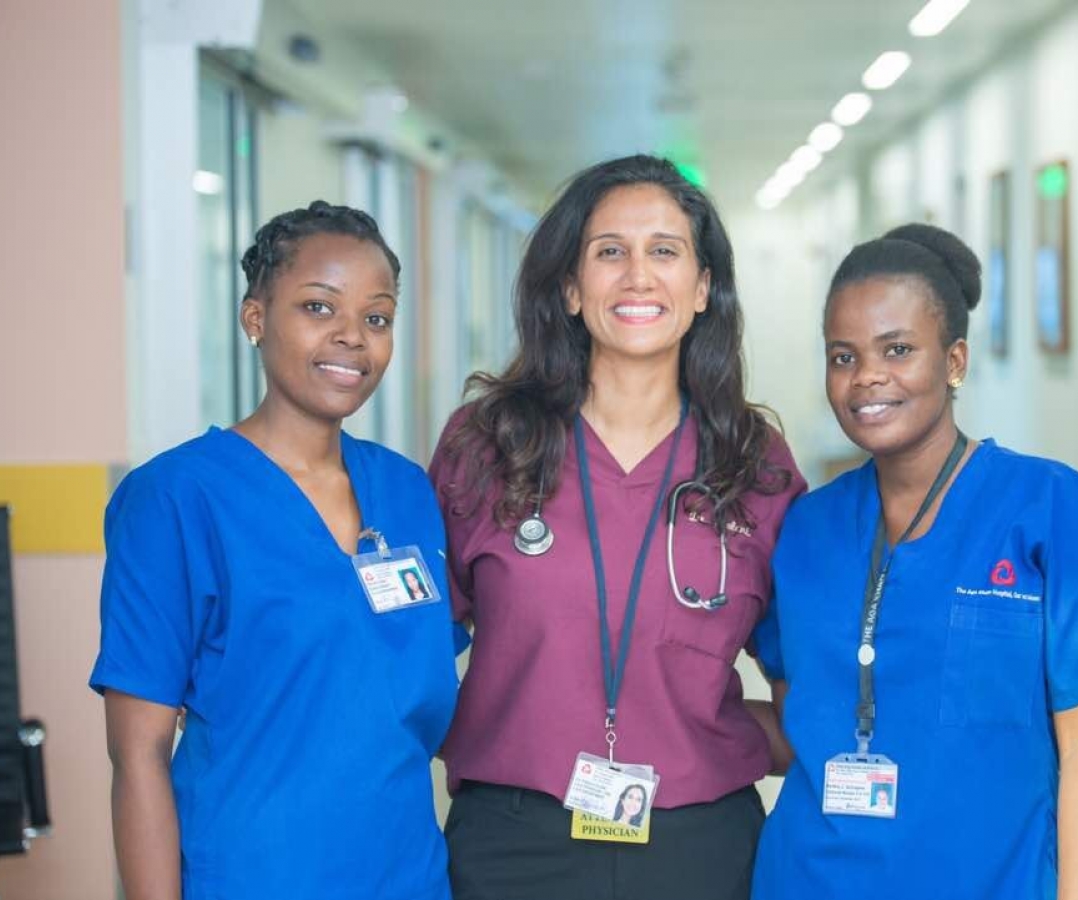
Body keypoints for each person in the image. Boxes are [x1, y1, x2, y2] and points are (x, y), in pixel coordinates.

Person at [430, 154, 804, 900]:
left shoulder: (752, 462)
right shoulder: (487, 444)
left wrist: (711, 731)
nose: (638, 275)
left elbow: (814, 675)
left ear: (702, 289)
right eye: (610, 252)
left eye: (664, 251)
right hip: (514, 843)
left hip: (700, 844)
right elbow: (409, 652)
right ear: (570, 287)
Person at [751, 223, 1078, 900]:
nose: (867, 377)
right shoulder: (808, 528)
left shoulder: (1048, 507)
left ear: (956, 360)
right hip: (808, 878)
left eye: (898, 349)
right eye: (842, 357)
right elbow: (800, 727)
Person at [90, 201, 457, 900]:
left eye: (376, 318)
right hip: (252, 876)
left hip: (407, 876)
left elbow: (422, 693)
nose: (352, 337)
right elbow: (136, 756)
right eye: (319, 308)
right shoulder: (176, 498)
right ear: (255, 317)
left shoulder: (407, 492)